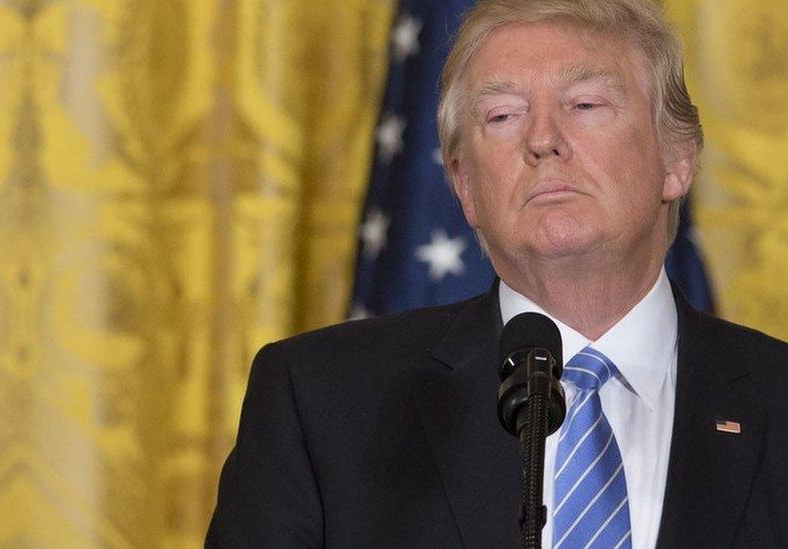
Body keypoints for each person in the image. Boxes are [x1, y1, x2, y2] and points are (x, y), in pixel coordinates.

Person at [206, 0, 788, 547]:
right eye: (503, 115)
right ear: (465, 188)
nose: (541, 140)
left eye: (584, 105)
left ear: (677, 160)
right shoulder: (319, 401)